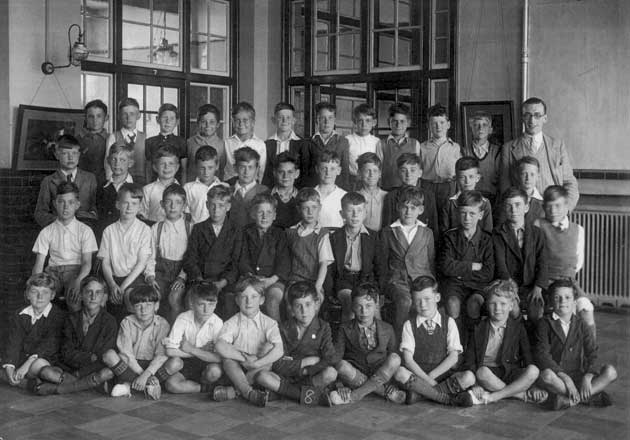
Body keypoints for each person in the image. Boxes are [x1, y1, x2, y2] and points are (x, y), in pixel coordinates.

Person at [535, 279, 617, 410]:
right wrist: (566, 379)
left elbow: (592, 352)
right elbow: (542, 355)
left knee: (611, 372)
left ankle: (569, 399)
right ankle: (586, 396)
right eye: (557, 298)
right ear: (550, 302)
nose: (563, 301)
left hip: (578, 375)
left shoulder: (581, 324)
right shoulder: (544, 323)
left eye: (567, 297)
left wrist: (588, 376)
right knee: (546, 376)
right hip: (558, 377)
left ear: (574, 302)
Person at [393, 276, 475, 407]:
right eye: (418, 300)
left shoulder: (449, 322)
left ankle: (420, 395)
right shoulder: (409, 324)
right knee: (400, 373)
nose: (423, 305)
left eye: (427, 299)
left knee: (469, 377)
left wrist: (431, 376)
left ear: (437, 298)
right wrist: (426, 380)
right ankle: (446, 398)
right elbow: (408, 360)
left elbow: (454, 357)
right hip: (418, 377)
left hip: (442, 376)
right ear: (413, 302)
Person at [464, 279, 546, 405]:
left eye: (503, 304)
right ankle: (520, 395)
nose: (498, 308)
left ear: (511, 306)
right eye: (493, 304)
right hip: (488, 374)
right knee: (482, 372)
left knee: (533, 370)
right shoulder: (478, 328)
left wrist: (533, 386)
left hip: (510, 372)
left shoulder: (518, 328)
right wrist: (474, 384)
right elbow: (470, 360)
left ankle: (496, 395)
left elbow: (528, 357)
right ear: (487, 305)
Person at [256, 281, 337, 403]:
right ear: (291, 309)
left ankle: (283, 394)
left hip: (311, 377)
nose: (304, 311)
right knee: (262, 376)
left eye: (308, 304)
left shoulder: (323, 327)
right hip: (287, 377)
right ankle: (309, 397)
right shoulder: (283, 328)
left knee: (331, 373)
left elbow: (329, 358)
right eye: (298, 306)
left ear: (316, 304)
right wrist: (304, 363)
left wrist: (307, 371)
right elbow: (278, 364)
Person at [34, 277, 117, 395]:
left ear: (104, 296)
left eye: (98, 293)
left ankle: (57, 389)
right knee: (45, 372)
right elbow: (66, 352)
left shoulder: (110, 321)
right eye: (89, 292)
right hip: (71, 368)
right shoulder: (71, 318)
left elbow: (103, 355)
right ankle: (88, 385)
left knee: (107, 372)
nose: (93, 297)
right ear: (81, 295)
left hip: (93, 369)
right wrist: (89, 357)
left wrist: (80, 372)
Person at [328, 282, 406, 405]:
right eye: (359, 306)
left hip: (380, 372)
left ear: (377, 305)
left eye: (368, 306)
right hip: (356, 373)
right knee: (342, 365)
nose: (364, 311)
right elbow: (336, 357)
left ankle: (355, 395)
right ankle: (384, 392)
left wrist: (391, 383)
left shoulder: (387, 328)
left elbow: (393, 354)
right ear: (353, 306)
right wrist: (339, 384)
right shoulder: (344, 328)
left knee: (395, 359)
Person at [213, 277, 284, 407]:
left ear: (262, 300)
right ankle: (248, 392)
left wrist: (256, 364)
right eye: (244, 297)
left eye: (254, 297)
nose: (248, 301)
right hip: (237, 369)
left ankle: (237, 391)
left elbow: (279, 350)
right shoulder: (232, 322)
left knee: (269, 356)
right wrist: (244, 358)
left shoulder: (270, 323)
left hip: (259, 367)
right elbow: (220, 345)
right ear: (237, 300)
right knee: (228, 360)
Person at [533, 186, 595, 334]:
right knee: (537, 314)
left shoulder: (577, 229)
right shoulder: (538, 225)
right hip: (544, 283)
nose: (553, 211)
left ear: (567, 206)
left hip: (569, 283)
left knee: (586, 310)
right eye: (549, 207)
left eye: (558, 206)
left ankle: (589, 354)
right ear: (543, 207)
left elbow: (578, 263)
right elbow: (533, 258)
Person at [499, 97, 579, 211]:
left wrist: (565, 209)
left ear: (545, 118)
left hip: (552, 212)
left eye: (537, 115)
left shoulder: (557, 146)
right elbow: (505, 188)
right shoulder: (508, 148)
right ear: (522, 118)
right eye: (527, 115)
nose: (532, 121)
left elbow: (570, 182)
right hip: (521, 213)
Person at [32, 181, 98, 312]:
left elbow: (86, 263)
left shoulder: (85, 230)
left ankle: (73, 331)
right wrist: (37, 285)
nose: (66, 207)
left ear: (77, 205)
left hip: (75, 271)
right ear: (55, 204)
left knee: (74, 300)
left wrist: (79, 280)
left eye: (71, 202)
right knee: (39, 298)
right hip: (53, 272)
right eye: (61, 202)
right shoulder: (47, 231)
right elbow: (39, 264)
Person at [381, 186, 435, 334]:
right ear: (398, 207)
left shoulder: (427, 232)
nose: (408, 211)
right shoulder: (388, 231)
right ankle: (400, 340)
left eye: (413, 207)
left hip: (422, 279)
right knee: (405, 301)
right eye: (405, 207)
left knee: (426, 302)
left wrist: (432, 284)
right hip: (397, 280)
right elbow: (382, 262)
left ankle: (423, 339)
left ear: (421, 210)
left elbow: (431, 262)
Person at [439, 191, 494, 337]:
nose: (467, 218)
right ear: (457, 213)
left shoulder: (487, 240)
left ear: (481, 215)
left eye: (472, 213)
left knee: (475, 304)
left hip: (477, 286)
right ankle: (456, 347)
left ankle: (473, 346)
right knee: (452, 304)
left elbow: (488, 273)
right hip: (454, 285)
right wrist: (472, 266)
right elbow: (445, 266)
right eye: (463, 213)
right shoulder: (449, 237)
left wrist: (459, 272)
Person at [101, 285, 171, 400]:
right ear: (132, 308)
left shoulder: (163, 324)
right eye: (138, 306)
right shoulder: (126, 322)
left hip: (152, 366)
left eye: (148, 305)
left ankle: (128, 386)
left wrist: (147, 374)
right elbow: (126, 353)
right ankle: (148, 385)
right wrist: (142, 375)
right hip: (131, 366)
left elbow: (161, 355)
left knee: (176, 362)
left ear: (156, 306)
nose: (143, 310)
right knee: (109, 355)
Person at [183, 185, 242, 319]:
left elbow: (236, 262)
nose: (216, 210)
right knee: (192, 300)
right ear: (206, 205)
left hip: (224, 282)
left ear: (228, 207)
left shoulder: (236, 231)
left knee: (228, 301)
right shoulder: (198, 229)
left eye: (221, 205)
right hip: (201, 280)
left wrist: (223, 282)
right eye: (212, 205)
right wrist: (199, 279)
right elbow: (191, 259)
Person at [1, 273, 65, 390]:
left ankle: (31, 383)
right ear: (27, 295)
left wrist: (26, 366)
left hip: (46, 359)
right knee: (7, 367)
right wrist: (10, 367)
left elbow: (49, 345)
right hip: (22, 359)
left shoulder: (58, 316)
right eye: (34, 292)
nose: (40, 297)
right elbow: (13, 343)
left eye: (45, 292)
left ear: (52, 295)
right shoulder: (20, 314)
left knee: (40, 365)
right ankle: (31, 383)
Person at [97, 183, 152, 320]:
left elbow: (141, 263)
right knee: (101, 299)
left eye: (134, 204)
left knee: (130, 297)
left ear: (140, 207)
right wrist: (112, 284)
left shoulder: (144, 230)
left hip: (134, 278)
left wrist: (122, 287)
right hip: (112, 277)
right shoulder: (109, 230)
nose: (129, 208)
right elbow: (106, 262)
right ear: (117, 205)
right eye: (125, 203)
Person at [493, 188, 547, 320]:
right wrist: (511, 288)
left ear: (526, 207)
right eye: (509, 206)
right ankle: (515, 340)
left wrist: (538, 287)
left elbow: (543, 262)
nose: (513, 210)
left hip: (531, 285)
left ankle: (530, 341)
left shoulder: (537, 233)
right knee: (514, 311)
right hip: (508, 284)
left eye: (518, 205)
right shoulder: (498, 233)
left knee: (536, 312)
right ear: (504, 209)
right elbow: (501, 265)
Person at [329, 192, 383, 322]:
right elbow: (330, 268)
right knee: (351, 307)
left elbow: (380, 266)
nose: (355, 215)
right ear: (342, 214)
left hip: (366, 280)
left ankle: (376, 341)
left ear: (365, 213)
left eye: (359, 210)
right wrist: (329, 292)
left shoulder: (373, 237)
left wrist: (380, 291)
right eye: (350, 211)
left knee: (375, 311)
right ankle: (349, 341)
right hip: (344, 280)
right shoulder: (334, 237)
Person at [162, 282, 224, 394]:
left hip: (207, 363)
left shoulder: (217, 323)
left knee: (215, 371)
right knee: (171, 385)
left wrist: (191, 349)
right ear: (192, 303)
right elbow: (170, 350)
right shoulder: (183, 318)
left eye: (211, 304)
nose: (206, 310)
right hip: (187, 362)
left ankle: (204, 383)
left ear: (216, 304)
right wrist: (201, 351)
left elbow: (219, 358)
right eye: (201, 304)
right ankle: (205, 389)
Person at [238, 193, 290, 322]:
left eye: (268, 212)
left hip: (274, 280)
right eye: (260, 212)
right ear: (253, 214)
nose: (264, 216)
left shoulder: (280, 234)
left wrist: (270, 280)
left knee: (272, 300)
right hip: (250, 278)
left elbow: (284, 262)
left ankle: (277, 337)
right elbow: (242, 258)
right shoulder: (245, 233)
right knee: (247, 298)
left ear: (274, 215)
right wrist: (251, 277)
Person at [144, 184, 191, 323]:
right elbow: (150, 256)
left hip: (182, 272)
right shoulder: (156, 228)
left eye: (178, 202)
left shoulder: (190, 228)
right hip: (161, 272)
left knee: (174, 298)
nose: (172, 206)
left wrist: (182, 277)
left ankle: (173, 335)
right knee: (153, 296)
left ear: (184, 206)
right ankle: (154, 333)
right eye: (168, 202)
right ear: (162, 204)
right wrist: (150, 277)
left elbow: (193, 258)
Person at [34, 134, 98, 228]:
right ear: (57, 155)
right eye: (65, 153)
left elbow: (95, 210)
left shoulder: (90, 179)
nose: (71, 157)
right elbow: (40, 213)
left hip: (84, 231)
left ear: (79, 154)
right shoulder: (48, 181)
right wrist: (61, 222)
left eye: (74, 153)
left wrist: (82, 221)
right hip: (58, 232)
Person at [285, 188, 335, 302]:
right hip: (294, 281)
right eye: (305, 208)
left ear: (320, 208)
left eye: (314, 207)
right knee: (290, 302)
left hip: (314, 281)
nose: (310, 212)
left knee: (314, 303)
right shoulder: (291, 232)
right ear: (298, 209)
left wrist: (318, 286)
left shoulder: (322, 234)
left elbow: (324, 263)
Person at [381, 153, 439, 244]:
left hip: (422, 244)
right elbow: (387, 227)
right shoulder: (391, 196)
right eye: (404, 170)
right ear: (398, 173)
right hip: (397, 244)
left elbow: (433, 226)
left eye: (413, 170)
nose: (408, 174)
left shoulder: (428, 196)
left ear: (420, 173)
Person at [419, 104, 461, 212]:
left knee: (447, 216)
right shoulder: (422, 147)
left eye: (442, 123)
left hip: (448, 187)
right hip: (427, 187)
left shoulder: (456, 147)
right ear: (428, 126)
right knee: (429, 215)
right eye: (434, 123)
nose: (438, 127)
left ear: (448, 124)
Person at [440, 156, 493, 235]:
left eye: (471, 177)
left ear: (477, 178)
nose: (467, 181)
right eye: (462, 177)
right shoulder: (450, 203)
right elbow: (444, 231)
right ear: (456, 179)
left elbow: (488, 232)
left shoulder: (485, 203)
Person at [262, 102, 310, 188]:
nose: (284, 121)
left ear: (294, 121)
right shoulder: (267, 144)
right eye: (280, 117)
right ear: (274, 120)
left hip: (296, 192)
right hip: (272, 191)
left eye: (288, 117)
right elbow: (265, 173)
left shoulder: (303, 144)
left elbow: (305, 172)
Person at [375, 103, 421, 191]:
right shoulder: (381, 144)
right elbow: (378, 169)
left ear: (408, 122)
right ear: (389, 122)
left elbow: (417, 169)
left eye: (402, 121)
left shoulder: (415, 143)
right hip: (387, 189)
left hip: (409, 190)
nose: (398, 125)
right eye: (394, 121)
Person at [306, 102, 350, 189]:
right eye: (323, 118)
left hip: (336, 189)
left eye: (330, 118)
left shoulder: (342, 141)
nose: (327, 122)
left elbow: (345, 171)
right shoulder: (308, 142)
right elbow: (305, 171)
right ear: (317, 120)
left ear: (335, 120)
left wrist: (345, 191)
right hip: (314, 189)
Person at [96, 144, 135, 240]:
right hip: (106, 236)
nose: (117, 164)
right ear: (108, 161)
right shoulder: (102, 187)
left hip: (130, 236)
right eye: (114, 159)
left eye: (122, 160)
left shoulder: (137, 186)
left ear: (130, 163)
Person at [461, 110, 501, 205]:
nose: (480, 128)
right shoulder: (464, 151)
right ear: (471, 128)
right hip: (470, 199)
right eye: (476, 125)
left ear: (490, 129)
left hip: (492, 200)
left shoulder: (497, 151)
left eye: (484, 125)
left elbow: (501, 180)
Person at [105, 97, 147, 184]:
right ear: (119, 116)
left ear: (138, 115)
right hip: (119, 181)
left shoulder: (145, 137)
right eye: (124, 114)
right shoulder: (113, 137)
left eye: (132, 114)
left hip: (142, 181)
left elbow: (149, 164)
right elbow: (108, 162)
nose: (128, 117)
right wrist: (111, 182)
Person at [223, 102, 267, 183]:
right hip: (230, 185)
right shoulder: (226, 143)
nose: (241, 124)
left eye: (245, 120)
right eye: (237, 120)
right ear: (232, 122)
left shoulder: (260, 145)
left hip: (252, 186)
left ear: (253, 122)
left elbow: (261, 172)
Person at [183, 145, 227, 224]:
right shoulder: (188, 188)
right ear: (196, 166)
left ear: (217, 166)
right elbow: (186, 215)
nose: (206, 172)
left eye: (210, 168)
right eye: (202, 168)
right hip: (195, 231)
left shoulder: (224, 187)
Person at [495, 156, 545, 225]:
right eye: (524, 174)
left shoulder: (544, 201)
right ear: (517, 175)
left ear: (538, 177)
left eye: (532, 174)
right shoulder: (508, 198)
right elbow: (501, 225)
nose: (528, 178)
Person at [145, 103, 188, 183]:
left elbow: (184, 169)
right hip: (155, 185)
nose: (168, 121)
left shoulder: (181, 142)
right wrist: (148, 186)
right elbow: (148, 169)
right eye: (165, 118)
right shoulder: (150, 142)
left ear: (177, 122)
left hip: (175, 185)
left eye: (172, 118)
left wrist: (183, 187)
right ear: (158, 119)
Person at [228, 147, 269, 228]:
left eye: (250, 167)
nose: (246, 172)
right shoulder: (228, 191)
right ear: (235, 168)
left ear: (257, 169)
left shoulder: (264, 192)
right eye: (242, 167)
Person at [139, 145, 181, 224]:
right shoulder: (147, 190)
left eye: (171, 163)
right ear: (155, 167)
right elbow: (142, 215)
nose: (166, 167)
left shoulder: (183, 190)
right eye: (162, 164)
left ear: (177, 167)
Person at [187, 104, 226, 181]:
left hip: (214, 188)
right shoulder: (189, 143)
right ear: (198, 123)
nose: (207, 125)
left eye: (212, 122)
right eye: (203, 122)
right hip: (193, 187)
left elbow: (222, 170)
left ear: (218, 124)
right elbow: (185, 168)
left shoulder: (222, 145)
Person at [346, 104, 379, 189]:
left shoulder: (377, 142)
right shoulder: (347, 140)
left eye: (368, 120)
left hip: (371, 182)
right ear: (355, 122)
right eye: (360, 120)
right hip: (352, 182)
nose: (364, 125)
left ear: (374, 123)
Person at [77, 99, 109, 184]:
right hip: (83, 184)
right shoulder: (78, 139)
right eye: (91, 116)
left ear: (106, 118)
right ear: (85, 118)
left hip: (105, 184)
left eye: (99, 116)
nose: (95, 120)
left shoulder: (112, 139)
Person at [314, 150, 347, 229]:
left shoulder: (344, 195)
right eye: (324, 168)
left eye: (332, 169)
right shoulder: (310, 194)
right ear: (317, 169)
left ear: (338, 170)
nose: (328, 173)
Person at [356, 152, 388, 231]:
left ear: (380, 174)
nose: (371, 175)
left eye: (375, 171)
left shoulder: (387, 196)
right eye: (367, 171)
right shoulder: (355, 197)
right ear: (359, 173)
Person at [270, 151, 301, 229]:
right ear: (274, 173)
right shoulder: (267, 196)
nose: (285, 176)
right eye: (281, 172)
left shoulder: (302, 198)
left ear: (297, 174)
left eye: (290, 172)